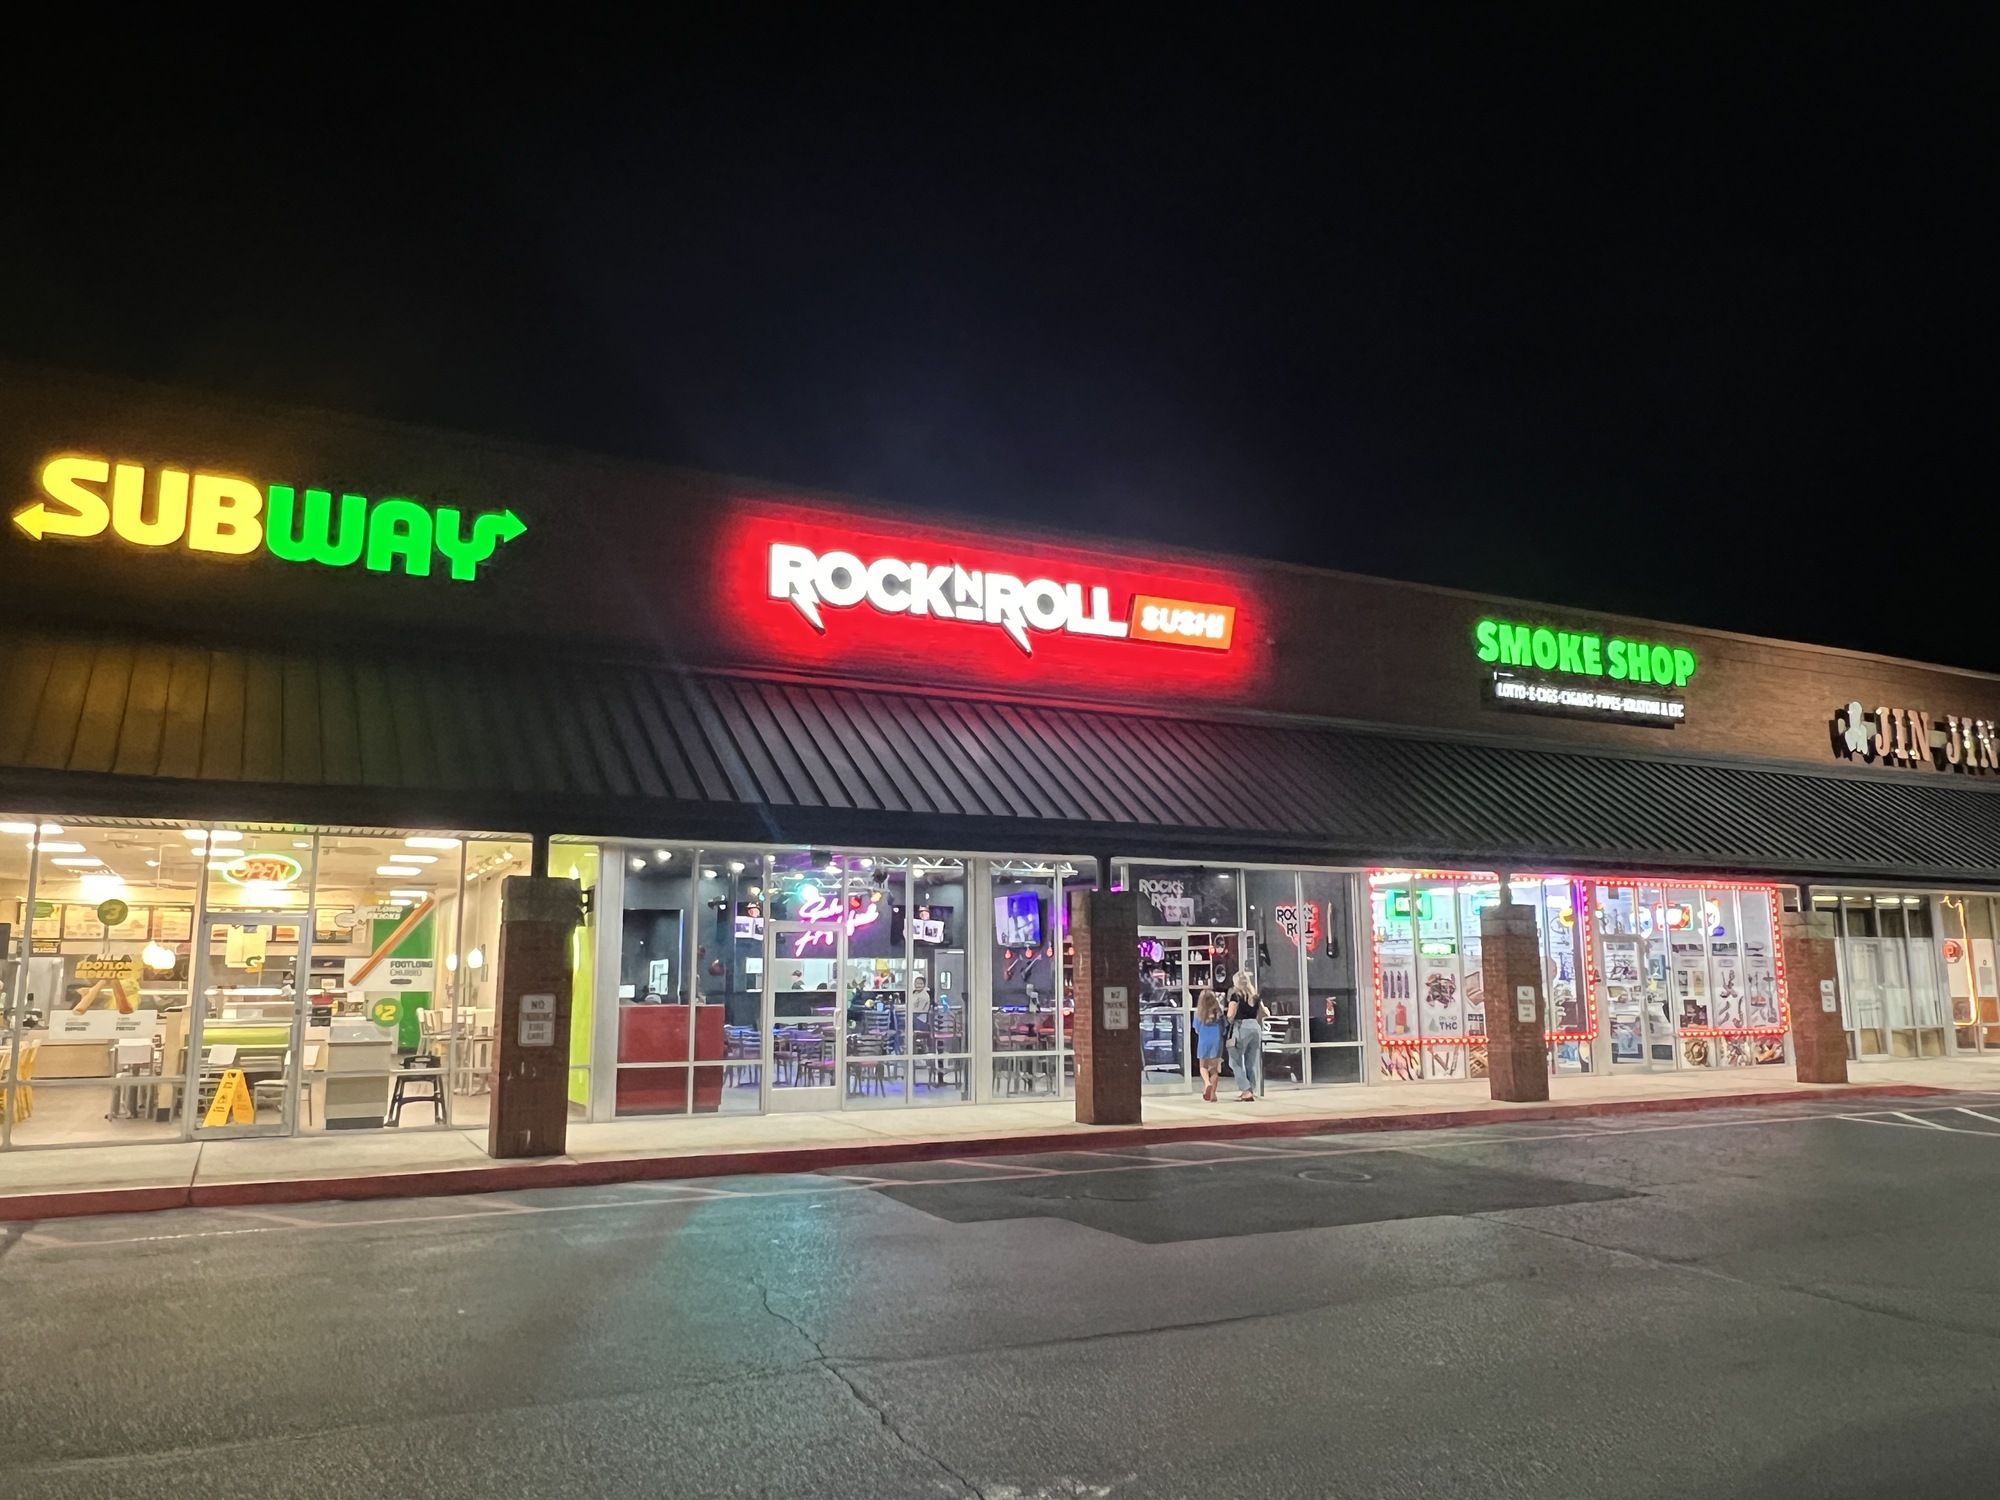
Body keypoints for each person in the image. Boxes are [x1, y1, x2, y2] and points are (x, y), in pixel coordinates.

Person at [1225, 969, 1264, 1102]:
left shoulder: (1236, 996)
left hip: (1241, 1027)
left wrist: (1228, 1021)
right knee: (1250, 1062)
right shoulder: (1255, 996)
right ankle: (1251, 1089)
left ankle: (1246, 1090)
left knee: (1234, 1062)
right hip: (1255, 1028)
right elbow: (1265, 1013)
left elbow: (1231, 1014)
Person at [1193, 987, 1224, 1102]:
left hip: (1203, 1041)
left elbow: (1196, 1029)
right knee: (1214, 1069)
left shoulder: (1198, 1014)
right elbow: (1223, 1028)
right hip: (1216, 1041)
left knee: (1203, 1066)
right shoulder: (1219, 1013)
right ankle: (1213, 1095)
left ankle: (1207, 1083)